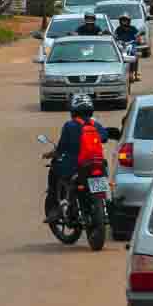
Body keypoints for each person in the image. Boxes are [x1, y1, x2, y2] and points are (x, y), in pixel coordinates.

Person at [45, 94, 108, 223]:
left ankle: (56, 208)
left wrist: (53, 154)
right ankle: (106, 207)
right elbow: (105, 137)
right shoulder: (95, 124)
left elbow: (62, 147)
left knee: (53, 169)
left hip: (76, 166)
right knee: (103, 189)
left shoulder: (69, 125)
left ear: (73, 110)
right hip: (98, 164)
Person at [114, 13, 140, 81]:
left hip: (131, 44)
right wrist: (119, 41)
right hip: (121, 45)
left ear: (128, 21)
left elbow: (137, 37)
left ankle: (135, 74)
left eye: (125, 20)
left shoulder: (133, 28)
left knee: (135, 55)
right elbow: (115, 37)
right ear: (120, 21)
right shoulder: (118, 29)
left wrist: (137, 39)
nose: (124, 21)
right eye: (123, 20)